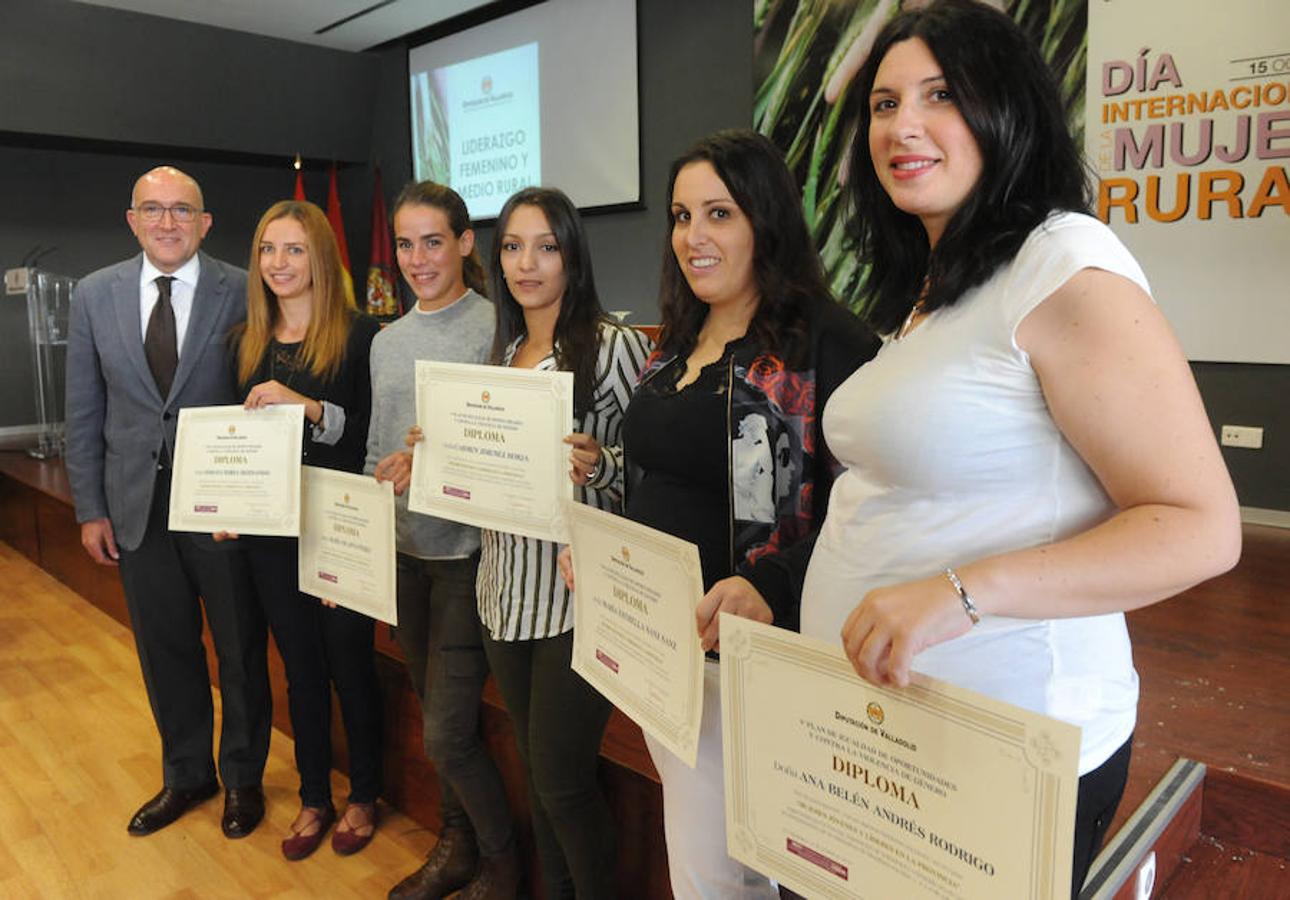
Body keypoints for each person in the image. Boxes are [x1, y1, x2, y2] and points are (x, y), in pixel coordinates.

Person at [797, 2, 1242, 897]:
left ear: (1008, 110)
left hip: (1007, 738)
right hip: (896, 730)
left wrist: (963, 594)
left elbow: (1201, 528)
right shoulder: (937, 284)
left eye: (940, 95)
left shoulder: (1064, 262)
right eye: (883, 104)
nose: (902, 126)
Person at [563, 129, 880, 898]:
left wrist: (774, 581)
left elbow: (873, 508)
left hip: (754, 657)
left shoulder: (826, 341)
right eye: (680, 215)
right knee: (710, 865)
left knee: (726, 877)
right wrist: (603, 559)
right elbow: (659, 482)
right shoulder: (676, 342)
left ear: (765, 220)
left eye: (719, 214)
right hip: (661, 649)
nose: (692, 237)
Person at [439, 186, 651, 900]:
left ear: (571, 256)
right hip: (502, 593)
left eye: (546, 246)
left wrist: (603, 464)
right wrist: (438, 454)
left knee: (562, 782)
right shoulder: (499, 355)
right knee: (538, 776)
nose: (527, 263)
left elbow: (647, 473)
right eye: (512, 247)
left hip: (574, 597)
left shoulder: (614, 346)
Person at [65, 165, 273, 838]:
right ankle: (188, 775)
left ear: (205, 223)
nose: (167, 222)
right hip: (136, 505)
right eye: (152, 210)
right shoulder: (95, 295)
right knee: (165, 648)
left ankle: (243, 778)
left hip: (224, 510)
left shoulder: (243, 289)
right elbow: (83, 409)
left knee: (240, 650)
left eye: (182, 210)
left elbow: (263, 396)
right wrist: (89, 507)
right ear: (132, 220)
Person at [369, 182, 519, 900]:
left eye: (434, 241)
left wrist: (434, 461)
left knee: (447, 735)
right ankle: (455, 846)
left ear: (465, 243)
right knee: (437, 722)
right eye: (405, 243)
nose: (418, 258)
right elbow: (377, 456)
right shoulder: (385, 342)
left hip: (467, 561)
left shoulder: (499, 333)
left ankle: (502, 864)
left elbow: (505, 455)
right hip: (404, 560)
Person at [225, 200, 384, 859]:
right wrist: (223, 504)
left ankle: (366, 794)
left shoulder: (363, 335)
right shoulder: (246, 341)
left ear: (320, 256)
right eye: (268, 249)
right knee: (299, 667)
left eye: (293, 250)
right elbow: (232, 439)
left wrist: (310, 407)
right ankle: (314, 795)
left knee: (350, 663)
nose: (279, 263)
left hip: (341, 529)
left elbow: (369, 436)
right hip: (269, 534)